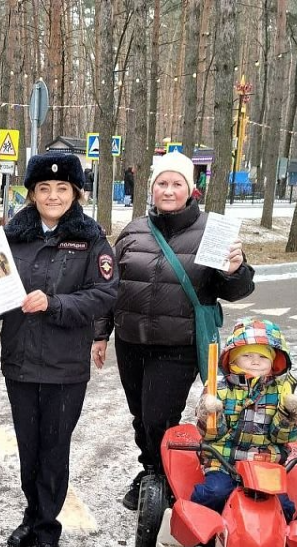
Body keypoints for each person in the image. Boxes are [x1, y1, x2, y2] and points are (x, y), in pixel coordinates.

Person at [0, 152, 118, 547]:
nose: (53, 195)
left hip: (65, 368)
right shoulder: (10, 239)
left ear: (76, 193)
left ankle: (47, 530)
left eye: (62, 188)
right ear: (31, 193)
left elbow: (105, 294)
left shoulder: (92, 239)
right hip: (21, 364)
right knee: (29, 449)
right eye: (44, 188)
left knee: (54, 449)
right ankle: (32, 515)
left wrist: (55, 303)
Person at [92, 151, 255, 510]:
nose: (168, 190)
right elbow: (110, 288)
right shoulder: (134, 231)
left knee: (158, 416)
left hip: (177, 346)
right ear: (151, 189)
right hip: (132, 342)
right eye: (161, 183)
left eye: (176, 183)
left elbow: (236, 290)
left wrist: (235, 270)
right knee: (141, 415)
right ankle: (152, 467)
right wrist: (101, 334)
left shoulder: (213, 232)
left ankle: (159, 475)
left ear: (191, 189)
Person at [192, 318, 297, 520]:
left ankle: (278, 541)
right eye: (247, 355)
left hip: (264, 463)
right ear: (232, 360)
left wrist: (288, 416)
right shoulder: (220, 389)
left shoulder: (281, 392)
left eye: (262, 356)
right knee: (213, 494)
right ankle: (200, 528)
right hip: (224, 461)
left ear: (274, 362)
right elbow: (211, 435)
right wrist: (210, 414)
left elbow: (280, 439)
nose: (255, 361)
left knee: (283, 506)